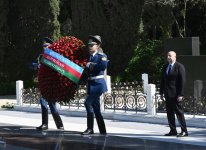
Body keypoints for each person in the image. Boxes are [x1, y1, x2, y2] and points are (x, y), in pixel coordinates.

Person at [36, 37, 64, 130]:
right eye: (44, 46)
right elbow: (36, 68)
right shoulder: (40, 57)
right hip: (43, 84)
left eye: (47, 46)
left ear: (51, 46)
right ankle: (44, 124)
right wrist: (36, 66)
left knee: (52, 105)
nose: (45, 48)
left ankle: (60, 125)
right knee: (43, 103)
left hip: (51, 84)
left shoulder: (55, 57)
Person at [82, 35, 108, 135]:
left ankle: (90, 128)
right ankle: (103, 131)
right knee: (96, 109)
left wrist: (90, 65)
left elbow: (103, 66)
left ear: (98, 46)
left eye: (92, 45)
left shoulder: (102, 56)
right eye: (89, 45)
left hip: (98, 85)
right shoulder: (88, 57)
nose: (90, 46)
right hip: (91, 85)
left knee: (87, 103)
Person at [160, 51, 188, 137]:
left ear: (175, 57)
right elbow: (162, 81)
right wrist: (161, 93)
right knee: (169, 113)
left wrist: (181, 94)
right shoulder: (165, 67)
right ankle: (173, 130)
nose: (168, 57)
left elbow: (182, 81)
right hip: (167, 94)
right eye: (167, 55)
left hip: (176, 95)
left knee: (179, 113)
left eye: (170, 56)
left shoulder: (179, 67)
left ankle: (184, 131)